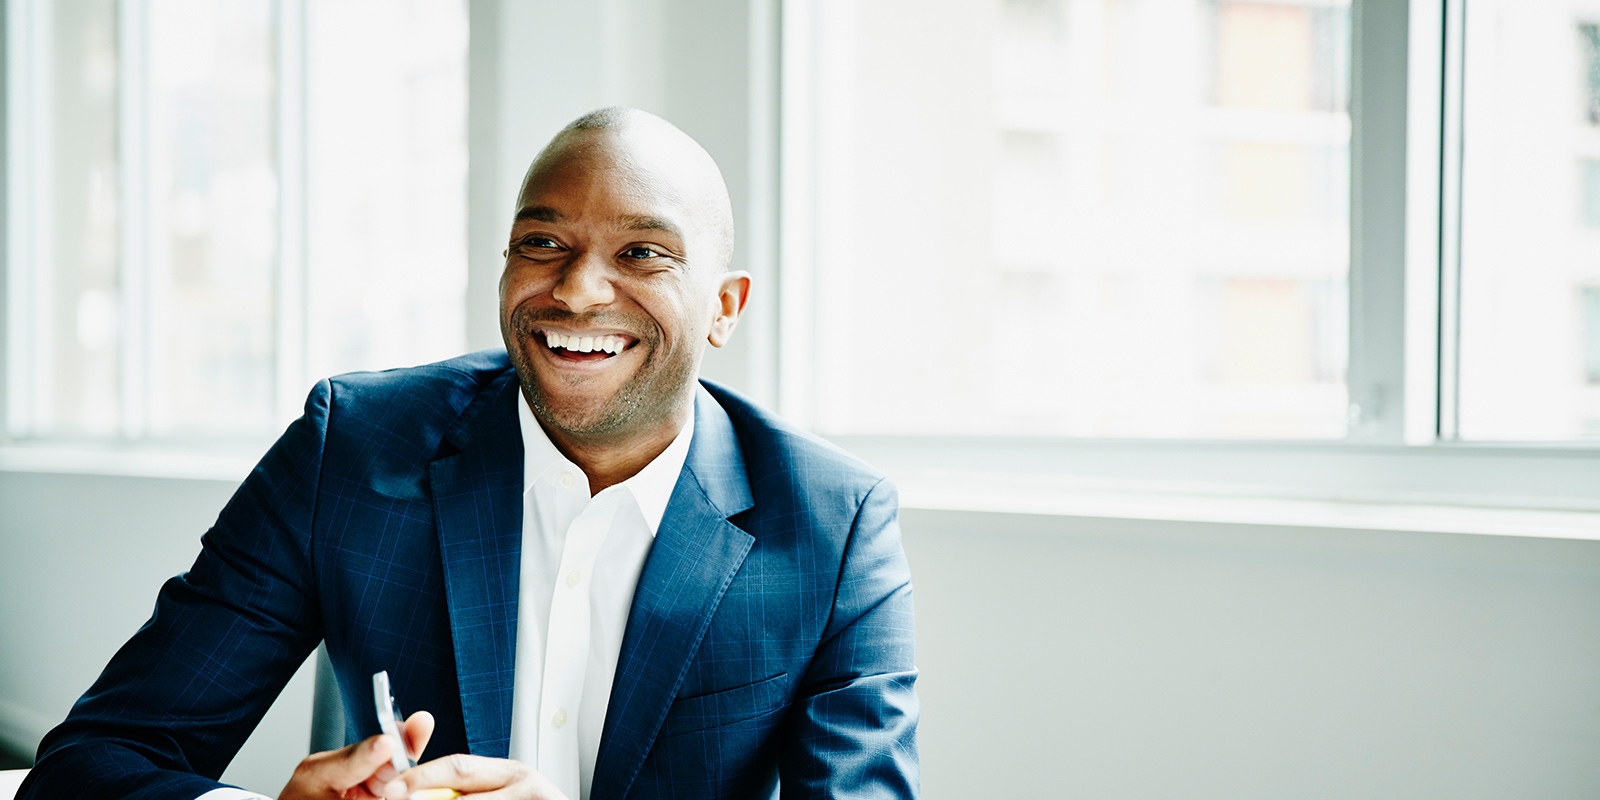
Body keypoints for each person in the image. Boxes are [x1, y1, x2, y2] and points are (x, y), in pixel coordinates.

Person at [18, 108, 919, 800]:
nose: (576, 289)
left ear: (725, 306)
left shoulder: (833, 526)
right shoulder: (351, 447)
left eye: (642, 252)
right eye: (543, 244)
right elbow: (93, 765)